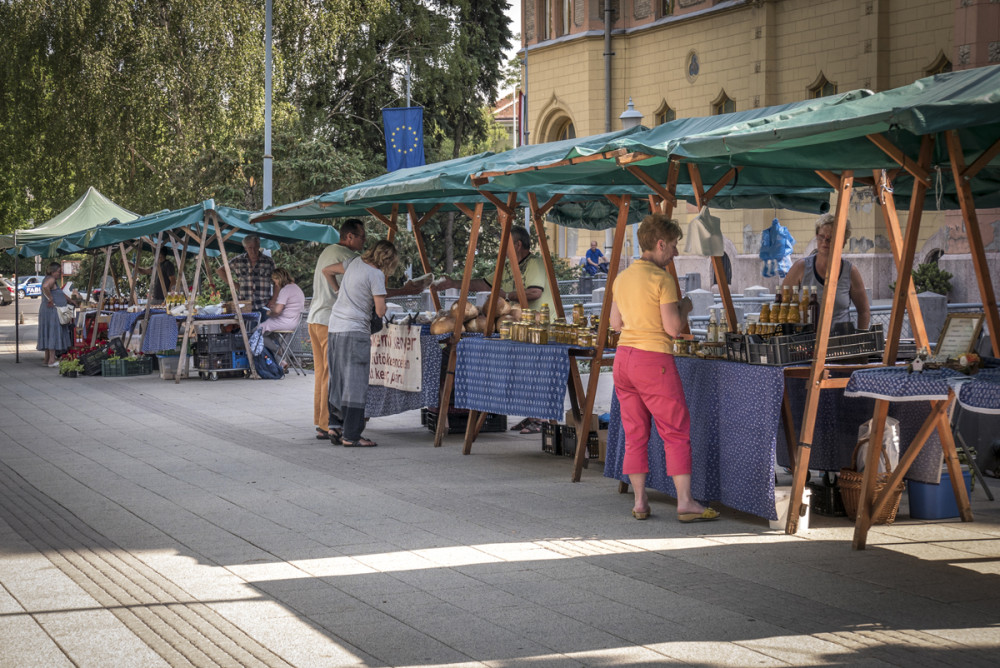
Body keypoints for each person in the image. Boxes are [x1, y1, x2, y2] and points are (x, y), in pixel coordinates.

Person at [609, 214, 719, 524]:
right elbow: (673, 328)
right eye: (673, 245)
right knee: (675, 431)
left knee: (635, 434)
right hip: (652, 360)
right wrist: (685, 305)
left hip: (623, 360)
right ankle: (685, 501)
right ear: (659, 244)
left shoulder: (622, 277)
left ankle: (640, 501)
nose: (676, 252)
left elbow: (615, 323)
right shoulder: (663, 279)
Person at [326, 240, 401, 447]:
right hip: (355, 330)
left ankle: (334, 425)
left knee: (338, 378)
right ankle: (351, 435)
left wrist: (338, 291)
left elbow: (327, 271)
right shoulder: (376, 274)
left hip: (335, 327)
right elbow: (379, 310)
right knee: (356, 383)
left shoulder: (353, 262)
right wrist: (384, 305)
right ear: (387, 259)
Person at [307, 219, 367, 440]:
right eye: (362, 236)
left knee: (322, 374)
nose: (365, 241)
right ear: (349, 237)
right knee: (331, 374)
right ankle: (327, 424)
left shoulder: (328, 251)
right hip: (329, 319)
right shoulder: (348, 257)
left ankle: (321, 422)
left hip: (315, 318)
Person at [781, 213, 870, 329]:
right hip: (805, 340)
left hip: (839, 341)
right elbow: (782, 305)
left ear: (843, 241)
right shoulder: (800, 267)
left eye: (831, 238)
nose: (825, 241)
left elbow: (864, 311)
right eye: (821, 237)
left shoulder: (850, 272)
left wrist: (861, 338)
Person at [433, 226, 553, 311]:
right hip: (521, 325)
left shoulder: (535, 263)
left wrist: (506, 296)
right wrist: (453, 283)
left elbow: (535, 292)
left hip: (542, 327)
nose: (501, 248)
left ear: (518, 245)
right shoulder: (507, 266)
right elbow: (484, 284)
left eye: (504, 244)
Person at [217, 234, 276, 317]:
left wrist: (274, 299)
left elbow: (278, 282)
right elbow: (220, 271)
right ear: (245, 248)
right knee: (246, 329)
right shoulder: (238, 260)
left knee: (263, 329)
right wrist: (234, 285)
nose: (253, 250)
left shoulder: (268, 261)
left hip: (264, 304)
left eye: (255, 247)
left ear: (259, 246)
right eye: (250, 248)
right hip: (244, 304)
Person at [255, 268, 306, 358]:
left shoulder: (286, 290)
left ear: (279, 279)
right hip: (293, 322)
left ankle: (279, 351)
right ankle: (282, 362)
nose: (276, 284)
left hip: (285, 322)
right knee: (269, 336)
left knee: (256, 332)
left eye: (275, 282)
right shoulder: (296, 288)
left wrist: (269, 312)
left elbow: (277, 311)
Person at [37, 262, 80, 367]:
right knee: (53, 332)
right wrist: (50, 298)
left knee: (48, 332)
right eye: (58, 272)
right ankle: (52, 360)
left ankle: (47, 359)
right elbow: (45, 287)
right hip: (52, 311)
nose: (59, 274)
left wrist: (70, 301)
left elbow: (60, 293)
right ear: (52, 271)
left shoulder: (49, 278)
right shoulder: (51, 279)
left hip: (46, 310)